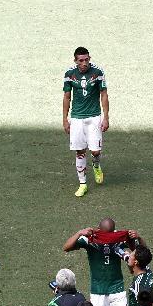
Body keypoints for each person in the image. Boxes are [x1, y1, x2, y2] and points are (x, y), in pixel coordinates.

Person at [63, 219, 141, 306]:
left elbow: (142, 253)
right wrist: (79, 233)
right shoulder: (89, 239)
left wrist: (138, 238)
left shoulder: (119, 239)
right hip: (98, 290)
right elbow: (66, 247)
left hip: (116, 288)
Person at [62, 46, 109, 197]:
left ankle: (96, 164)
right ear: (75, 61)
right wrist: (65, 119)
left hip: (94, 117)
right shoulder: (69, 74)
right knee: (80, 151)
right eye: (81, 60)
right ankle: (83, 184)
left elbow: (104, 94)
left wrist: (106, 117)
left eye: (86, 59)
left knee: (95, 150)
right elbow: (67, 97)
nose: (84, 63)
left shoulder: (98, 72)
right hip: (77, 118)